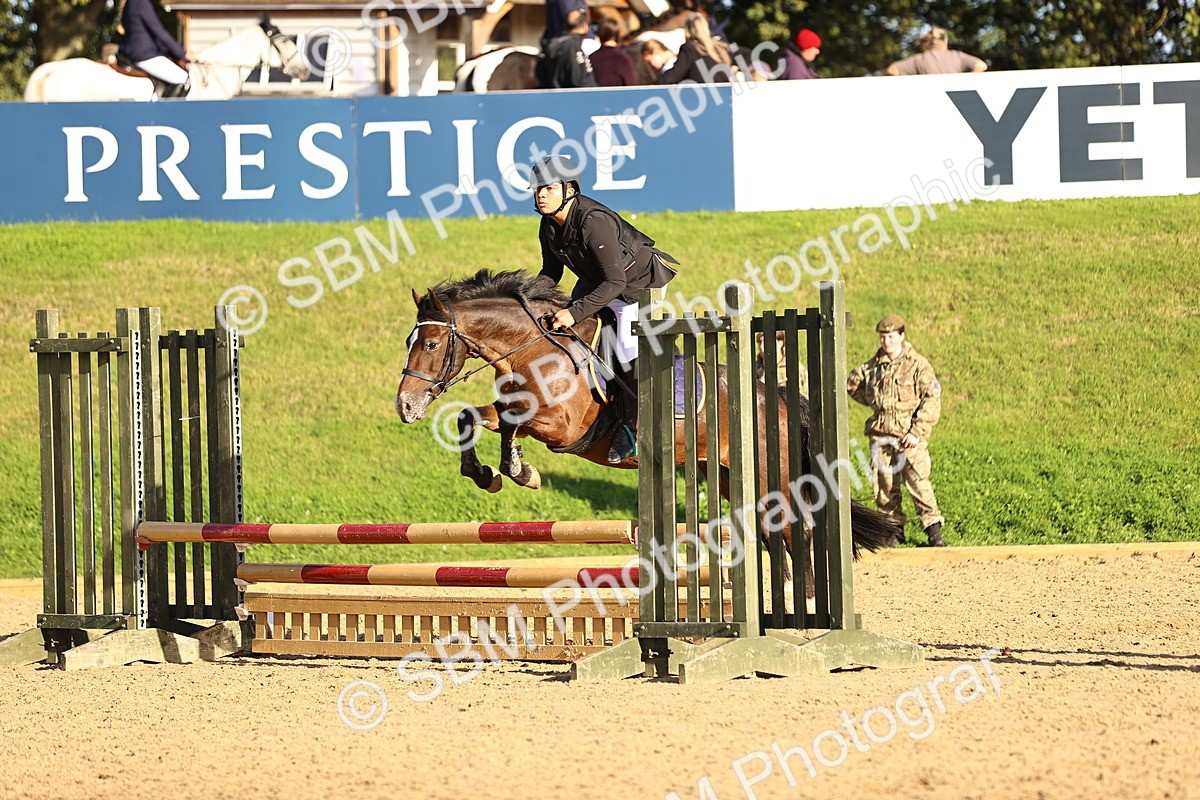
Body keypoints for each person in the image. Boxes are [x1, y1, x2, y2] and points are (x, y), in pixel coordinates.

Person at [531, 155, 678, 464]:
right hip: (599, 282)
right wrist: (529, 300)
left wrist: (573, 311)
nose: (540, 194)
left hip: (637, 285)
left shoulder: (592, 221)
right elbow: (551, 273)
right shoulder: (549, 225)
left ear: (569, 189)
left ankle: (633, 427)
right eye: (536, 188)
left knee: (624, 345)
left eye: (547, 188)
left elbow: (616, 281)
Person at [846, 315, 946, 546]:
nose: (886, 341)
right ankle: (893, 533)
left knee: (918, 483)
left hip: (908, 437)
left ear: (901, 335)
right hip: (881, 437)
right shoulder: (872, 367)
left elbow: (932, 398)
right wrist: (874, 403)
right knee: (885, 487)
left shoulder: (917, 365)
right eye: (882, 337)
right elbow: (852, 385)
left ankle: (933, 531)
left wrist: (917, 431)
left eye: (890, 336)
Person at [117, 0, 190, 97]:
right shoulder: (141, 3)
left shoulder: (130, 3)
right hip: (144, 55)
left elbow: (151, 36)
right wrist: (183, 54)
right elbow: (159, 33)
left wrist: (171, 54)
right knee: (184, 78)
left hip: (132, 52)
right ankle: (165, 111)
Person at [658, 13, 735, 84]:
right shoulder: (720, 47)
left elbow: (673, 76)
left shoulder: (689, 49)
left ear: (687, 29)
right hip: (724, 95)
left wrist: (654, 85)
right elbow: (746, 54)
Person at [887, 27, 987, 76]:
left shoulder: (920, 59)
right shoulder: (957, 56)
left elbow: (892, 70)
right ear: (945, 41)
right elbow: (981, 65)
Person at [537, 8, 597, 89]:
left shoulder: (555, 44)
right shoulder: (572, 46)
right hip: (580, 98)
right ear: (585, 26)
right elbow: (576, 80)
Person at [590, 18, 637, 87]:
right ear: (618, 35)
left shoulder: (592, 58)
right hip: (618, 97)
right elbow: (632, 88)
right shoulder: (623, 59)